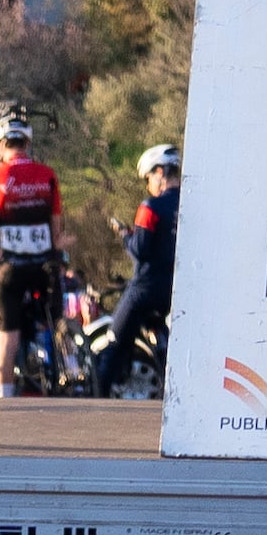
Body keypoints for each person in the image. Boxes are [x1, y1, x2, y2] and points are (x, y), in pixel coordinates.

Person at [0, 110, 66, 395]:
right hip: (44, 269)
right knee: (56, 328)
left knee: (6, 346)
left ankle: (3, 407)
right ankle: (63, 369)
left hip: (10, 270)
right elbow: (56, 231)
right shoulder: (47, 175)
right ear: (28, 144)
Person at [86, 142, 178, 395]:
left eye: (148, 177)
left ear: (160, 172)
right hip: (176, 289)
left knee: (115, 343)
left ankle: (97, 401)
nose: (148, 183)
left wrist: (126, 235)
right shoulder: (190, 204)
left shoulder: (150, 207)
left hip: (146, 288)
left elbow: (140, 249)